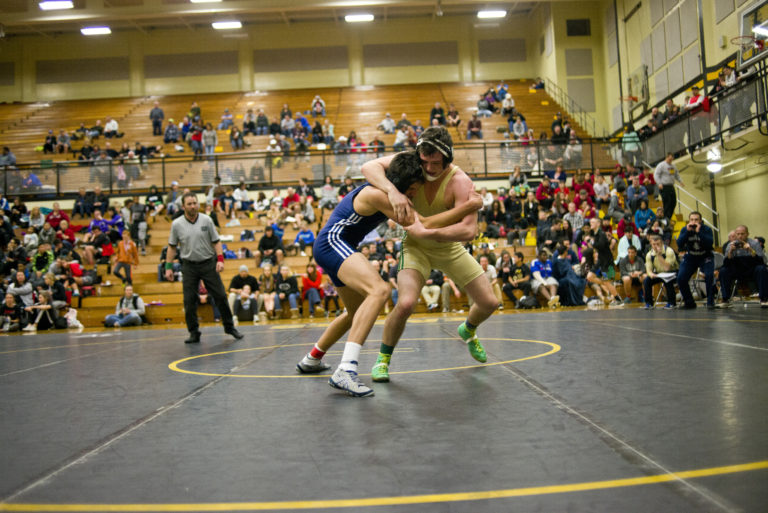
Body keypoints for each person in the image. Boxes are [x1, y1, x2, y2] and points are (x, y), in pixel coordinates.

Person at [295, 150, 482, 397]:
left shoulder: (385, 190)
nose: (415, 195)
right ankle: (346, 370)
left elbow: (373, 168)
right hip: (333, 243)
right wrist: (470, 205)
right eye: (414, 190)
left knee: (354, 312)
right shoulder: (379, 195)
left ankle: (312, 358)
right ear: (403, 186)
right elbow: (423, 224)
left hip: (335, 245)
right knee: (380, 290)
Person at [164, 192, 243, 343]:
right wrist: (168, 267)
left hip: (208, 263)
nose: (193, 206)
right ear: (183, 206)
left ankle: (229, 327)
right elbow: (172, 247)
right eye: (189, 204)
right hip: (189, 266)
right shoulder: (177, 224)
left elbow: (216, 241)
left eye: (195, 203)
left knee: (220, 295)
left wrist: (220, 260)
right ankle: (194, 332)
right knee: (189, 300)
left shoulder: (207, 220)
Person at [717, 225, 768, 308]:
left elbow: (761, 261)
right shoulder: (731, 245)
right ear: (735, 235)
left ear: (747, 234)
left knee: (761, 269)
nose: (740, 236)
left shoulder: (754, 244)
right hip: (737, 269)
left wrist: (750, 250)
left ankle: (764, 299)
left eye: (742, 234)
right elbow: (726, 263)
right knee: (723, 270)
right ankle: (725, 299)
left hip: (751, 269)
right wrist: (730, 251)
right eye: (738, 234)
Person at [676, 211, 715, 310]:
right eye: (692, 220)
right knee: (681, 278)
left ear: (700, 221)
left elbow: (709, 243)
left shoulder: (706, 229)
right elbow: (679, 244)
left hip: (705, 256)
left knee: (709, 275)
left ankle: (710, 302)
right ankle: (689, 302)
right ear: (689, 221)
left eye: (696, 220)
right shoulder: (685, 229)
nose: (694, 222)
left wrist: (699, 232)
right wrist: (687, 232)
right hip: (691, 256)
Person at [642, 234, 679, 310]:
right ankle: (649, 303)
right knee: (647, 280)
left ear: (662, 243)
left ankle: (672, 303)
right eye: (653, 244)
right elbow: (648, 269)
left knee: (667, 280)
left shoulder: (669, 251)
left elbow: (667, 268)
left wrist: (659, 256)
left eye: (658, 244)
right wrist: (651, 274)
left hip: (673, 273)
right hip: (660, 274)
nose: (656, 246)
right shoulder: (649, 254)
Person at [654, 153, 685, 220]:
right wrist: (659, 183)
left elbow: (676, 174)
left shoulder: (673, 166)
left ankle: (669, 217)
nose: (671, 160)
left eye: (672, 159)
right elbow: (656, 175)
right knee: (667, 202)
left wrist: (680, 181)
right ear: (667, 157)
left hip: (671, 186)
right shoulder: (661, 165)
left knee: (673, 202)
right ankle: (665, 217)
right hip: (664, 186)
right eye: (670, 159)